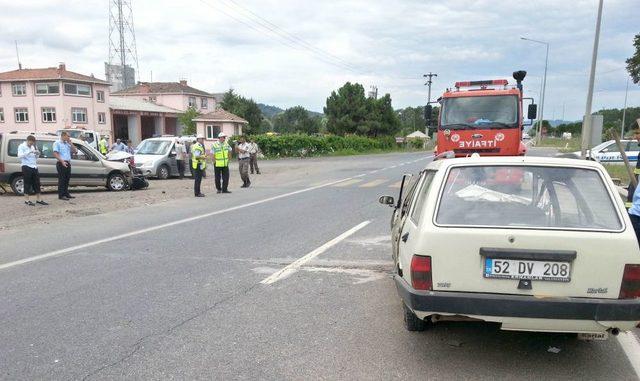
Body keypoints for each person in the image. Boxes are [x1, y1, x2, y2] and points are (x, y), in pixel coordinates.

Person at [17, 135, 47, 206]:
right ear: (28, 140)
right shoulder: (21, 146)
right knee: (27, 183)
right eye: (30, 143)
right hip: (26, 166)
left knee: (37, 183)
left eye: (33, 143)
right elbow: (19, 156)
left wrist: (37, 154)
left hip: (34, 166)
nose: (31, 144)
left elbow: (35, 157)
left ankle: (39, 199)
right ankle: (27, 200)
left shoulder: (33, 146)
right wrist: (29, 152)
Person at [53, 131, 77, 201]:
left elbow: (75, 151)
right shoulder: (57, 143)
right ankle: (61, 195)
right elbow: (55, 153)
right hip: (61, 163)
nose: (69, 137)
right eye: (68, 136)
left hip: (68, 162)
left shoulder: (67, 143)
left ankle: (66, 193)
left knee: (67, 179)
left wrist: (71, 143)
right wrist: (62, 161)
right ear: (63, 136)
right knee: (62, 179)